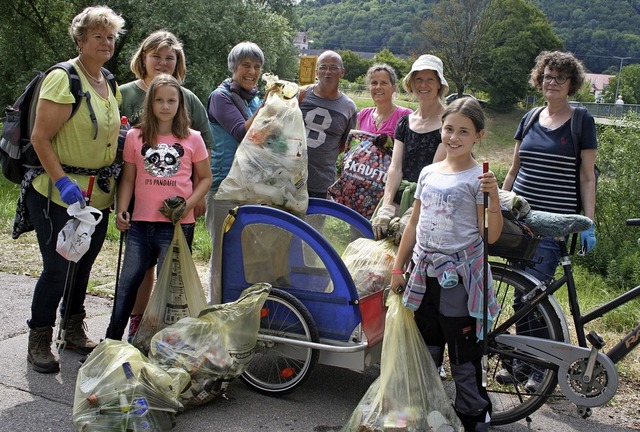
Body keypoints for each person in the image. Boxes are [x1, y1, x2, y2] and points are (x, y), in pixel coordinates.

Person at [21, 6, 125, 373]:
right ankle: (39, 337)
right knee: (58, 268)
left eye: (111, 36)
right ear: (80, 40)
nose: (106, 42)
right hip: (55, 193)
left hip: (97, 196)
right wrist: (64, 183)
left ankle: (72, 328)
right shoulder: (64, 78)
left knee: (83, 265)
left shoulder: (109, 81)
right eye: (98, 36)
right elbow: (40, 136)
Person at [390, 97, 502, 432]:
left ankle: (472, 413)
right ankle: (429, 408)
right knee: (428, 348)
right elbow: (414, 224)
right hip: (423, 274)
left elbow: (491, 236)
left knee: (463, 351)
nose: (453, 137)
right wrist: (399, 267)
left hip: (460, 278)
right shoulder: (428, 173)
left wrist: (494, 198)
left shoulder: (478, 179)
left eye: (463, 131)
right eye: (449, 128)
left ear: (478, 136)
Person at [501, 50, 598, 391]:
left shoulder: (580, 120)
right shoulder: (528, 118)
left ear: (571, 84)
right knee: (519, 294)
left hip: (551, 225)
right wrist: (498, 205)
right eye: (546, 76)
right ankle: (521, 364)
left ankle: (541, 370)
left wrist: (588, 221)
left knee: (534, 295)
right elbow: (514, 169)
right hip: (519, 220)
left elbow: (587, 177)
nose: (551, 82)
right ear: (539, 79)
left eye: (559, 77)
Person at [119, 30, 214, 341]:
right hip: (135, 197)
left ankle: (160, 328)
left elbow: (202, 153)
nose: (162, 62)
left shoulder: (187, 99)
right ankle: (137, 322)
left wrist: (196, 198)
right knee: (137, 271)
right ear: (142, 58)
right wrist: (119, 202)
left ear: (178, 63)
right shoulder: (122, 94)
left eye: (169, 58)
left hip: (175, 204)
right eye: (156, 56)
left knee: (167, 271)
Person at [205, 41, 266, 303]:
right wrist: (270, 106)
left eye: (256, 66)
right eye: (245, 65)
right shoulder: (221, 97)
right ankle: (217, 310)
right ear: (234, 67)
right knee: (223, 254)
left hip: (252, 187)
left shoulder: (255, 100)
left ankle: (242, 310)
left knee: (249, 256)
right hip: (224, 186)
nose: (251, 71)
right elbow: (244, 133)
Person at [371, 54, 448, 241]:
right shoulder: (405, 122)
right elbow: (395, 167)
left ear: (439, 84)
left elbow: (434, 175)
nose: (423, 85)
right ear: (411, 84)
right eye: (418, 79)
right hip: (399, 197)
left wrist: (414, 213)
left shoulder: (448, 122)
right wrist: (387, 206)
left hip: (430, 203)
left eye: (430, 79)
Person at [299, 50, 357, 198]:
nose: (328, 72)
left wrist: (325, 154)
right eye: (323, 67)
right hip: (289, 177)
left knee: (314, 221)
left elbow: (344, 143)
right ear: (316, 72)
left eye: (333, 67)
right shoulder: (300, 95)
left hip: (321, 182)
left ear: (342, 72)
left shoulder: (349, 107)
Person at [356, 63, 413, 138]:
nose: (378, 87)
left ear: (394, 88)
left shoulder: (405, 115)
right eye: (374, 83)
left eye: (383, 83)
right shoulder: (363, 115)